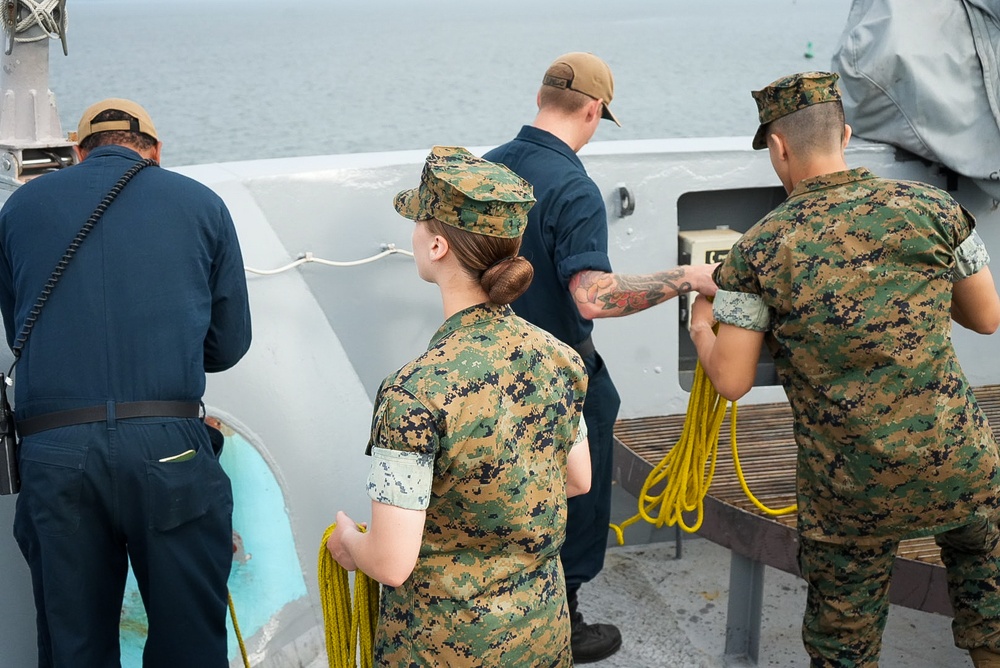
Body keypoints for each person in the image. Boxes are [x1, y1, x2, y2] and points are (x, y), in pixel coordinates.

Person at [689, 71, 1000, 667]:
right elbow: (985, 317)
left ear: (778, 148)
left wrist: (705, 323)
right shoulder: (935, 209)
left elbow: (730, 380)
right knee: (991, 612)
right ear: (847, 135)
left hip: (850, 489)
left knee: (845, 648)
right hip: (960, 463)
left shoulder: (757, 250)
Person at [482, 51, 719, 663]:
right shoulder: (574, 189)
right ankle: (564, 620)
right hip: (556, 382)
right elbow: (594, 298)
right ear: (594, 110)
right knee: (578, 500)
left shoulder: (485, 171)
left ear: (540, 100)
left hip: (484, 372)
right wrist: (689, 277)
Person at [0, 98, 252, 667]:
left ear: (77, 151)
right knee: (189, 644)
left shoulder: (21, 208)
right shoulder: (202, 204)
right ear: (156, 152)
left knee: (73, 648)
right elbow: (229, 345)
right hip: (170, 450)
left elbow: (20, 325)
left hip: (56, 453)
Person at [326, 145, 592, 667]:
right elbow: (577, 480)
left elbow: (391, 562)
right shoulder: (560, 360)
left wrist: (348, 543)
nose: (414, 235)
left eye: (419, 223)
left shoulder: (413, 393)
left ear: (438, 246)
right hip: (541, 635)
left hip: (443, 648)